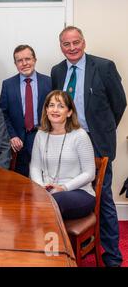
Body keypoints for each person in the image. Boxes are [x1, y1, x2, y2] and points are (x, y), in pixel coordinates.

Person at [51, 26, 126, 267]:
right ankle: (74, 248)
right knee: (70, 193)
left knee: (102, 198)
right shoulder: (57, 71)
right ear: (60, 46)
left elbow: (119, 103)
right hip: (67, 142)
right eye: (66, 44)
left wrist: (102, 130)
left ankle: (112, 257)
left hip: (96, 142)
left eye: (76, 42)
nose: (72, 48)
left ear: (83, 42)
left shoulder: (103, 67)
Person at [30, 91, 96, 221]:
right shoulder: (41, 134)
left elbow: (90, 173)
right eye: (51, 105)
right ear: (46, 110)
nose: (55, 109)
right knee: (24, 200)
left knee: (52, 203)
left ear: (69, 112)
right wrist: (41, 188)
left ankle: (49, 241)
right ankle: (41, 240)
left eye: (61, 106)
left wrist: (64, 188)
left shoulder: (80, 135)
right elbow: (35, 167)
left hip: (78, 192)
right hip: (47, 192)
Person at [0, 45, 51, 177]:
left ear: (35, 60)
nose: (24, 63)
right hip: (18, 142)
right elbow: (2, 113)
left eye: (28, 59)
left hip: (43, 137)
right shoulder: (8, 84)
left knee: (43, 177)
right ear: (15, 64)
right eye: (19, 60)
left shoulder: (49, 82)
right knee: (20, 180)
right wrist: (12, 135)